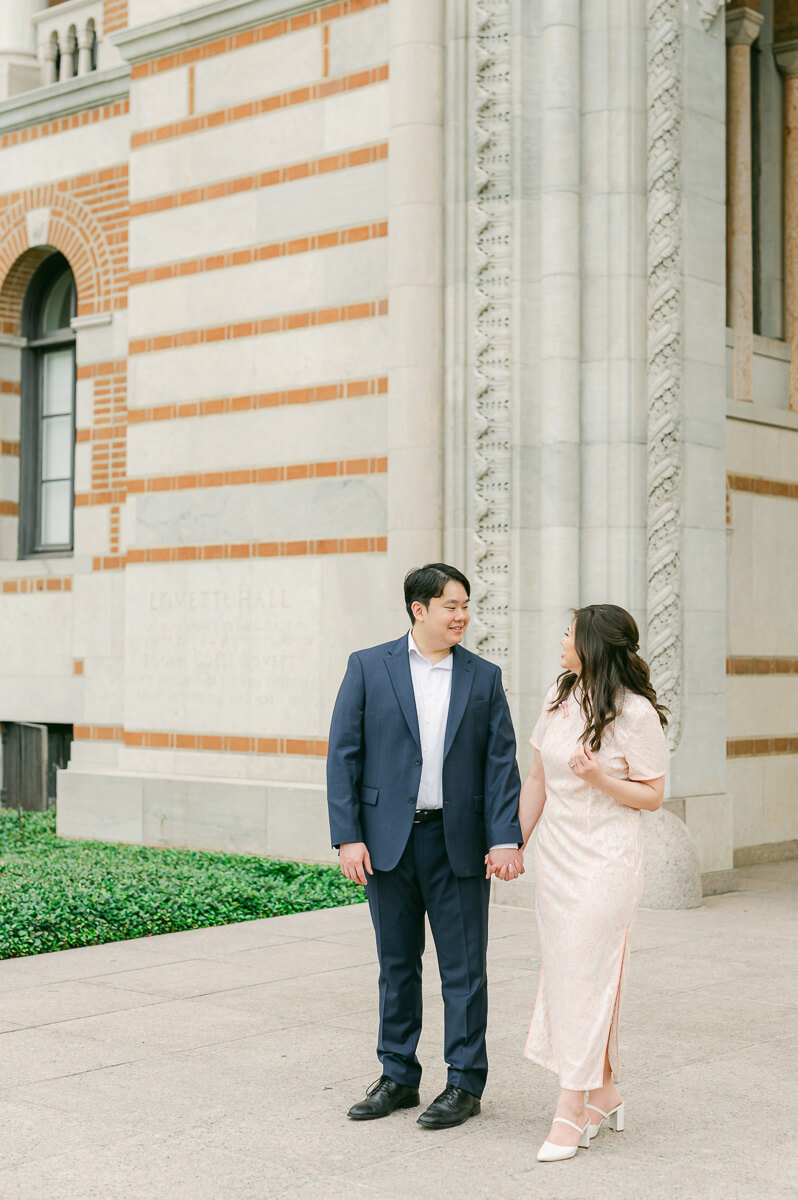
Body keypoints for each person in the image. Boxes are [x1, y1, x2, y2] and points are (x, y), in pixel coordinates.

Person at [327, 563, 524, 1128]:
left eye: (465, 605)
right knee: (396, 963)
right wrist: (348, 836)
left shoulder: (483, 677)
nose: (461, 615)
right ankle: (398, 1076)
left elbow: (500, 764)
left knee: (464, 968)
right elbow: (343, 755)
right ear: (420, 610)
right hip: (386, 842)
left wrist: (504, 835)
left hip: (456, 841)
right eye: (451, 606)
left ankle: (464, 1082)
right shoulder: (368, 667)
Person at [512, 604, 667, 1162]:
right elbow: (536, 779)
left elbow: (652, 794)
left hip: (607, 860)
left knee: (585, 973)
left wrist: (599, 776)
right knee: (567, 975)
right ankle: (604, 1091)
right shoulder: (559, 700)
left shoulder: (636, 713)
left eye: (568, 633)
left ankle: (571, 1106)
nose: (560, 640)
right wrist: (515, 843)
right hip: (557, 859)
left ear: (594, 644)